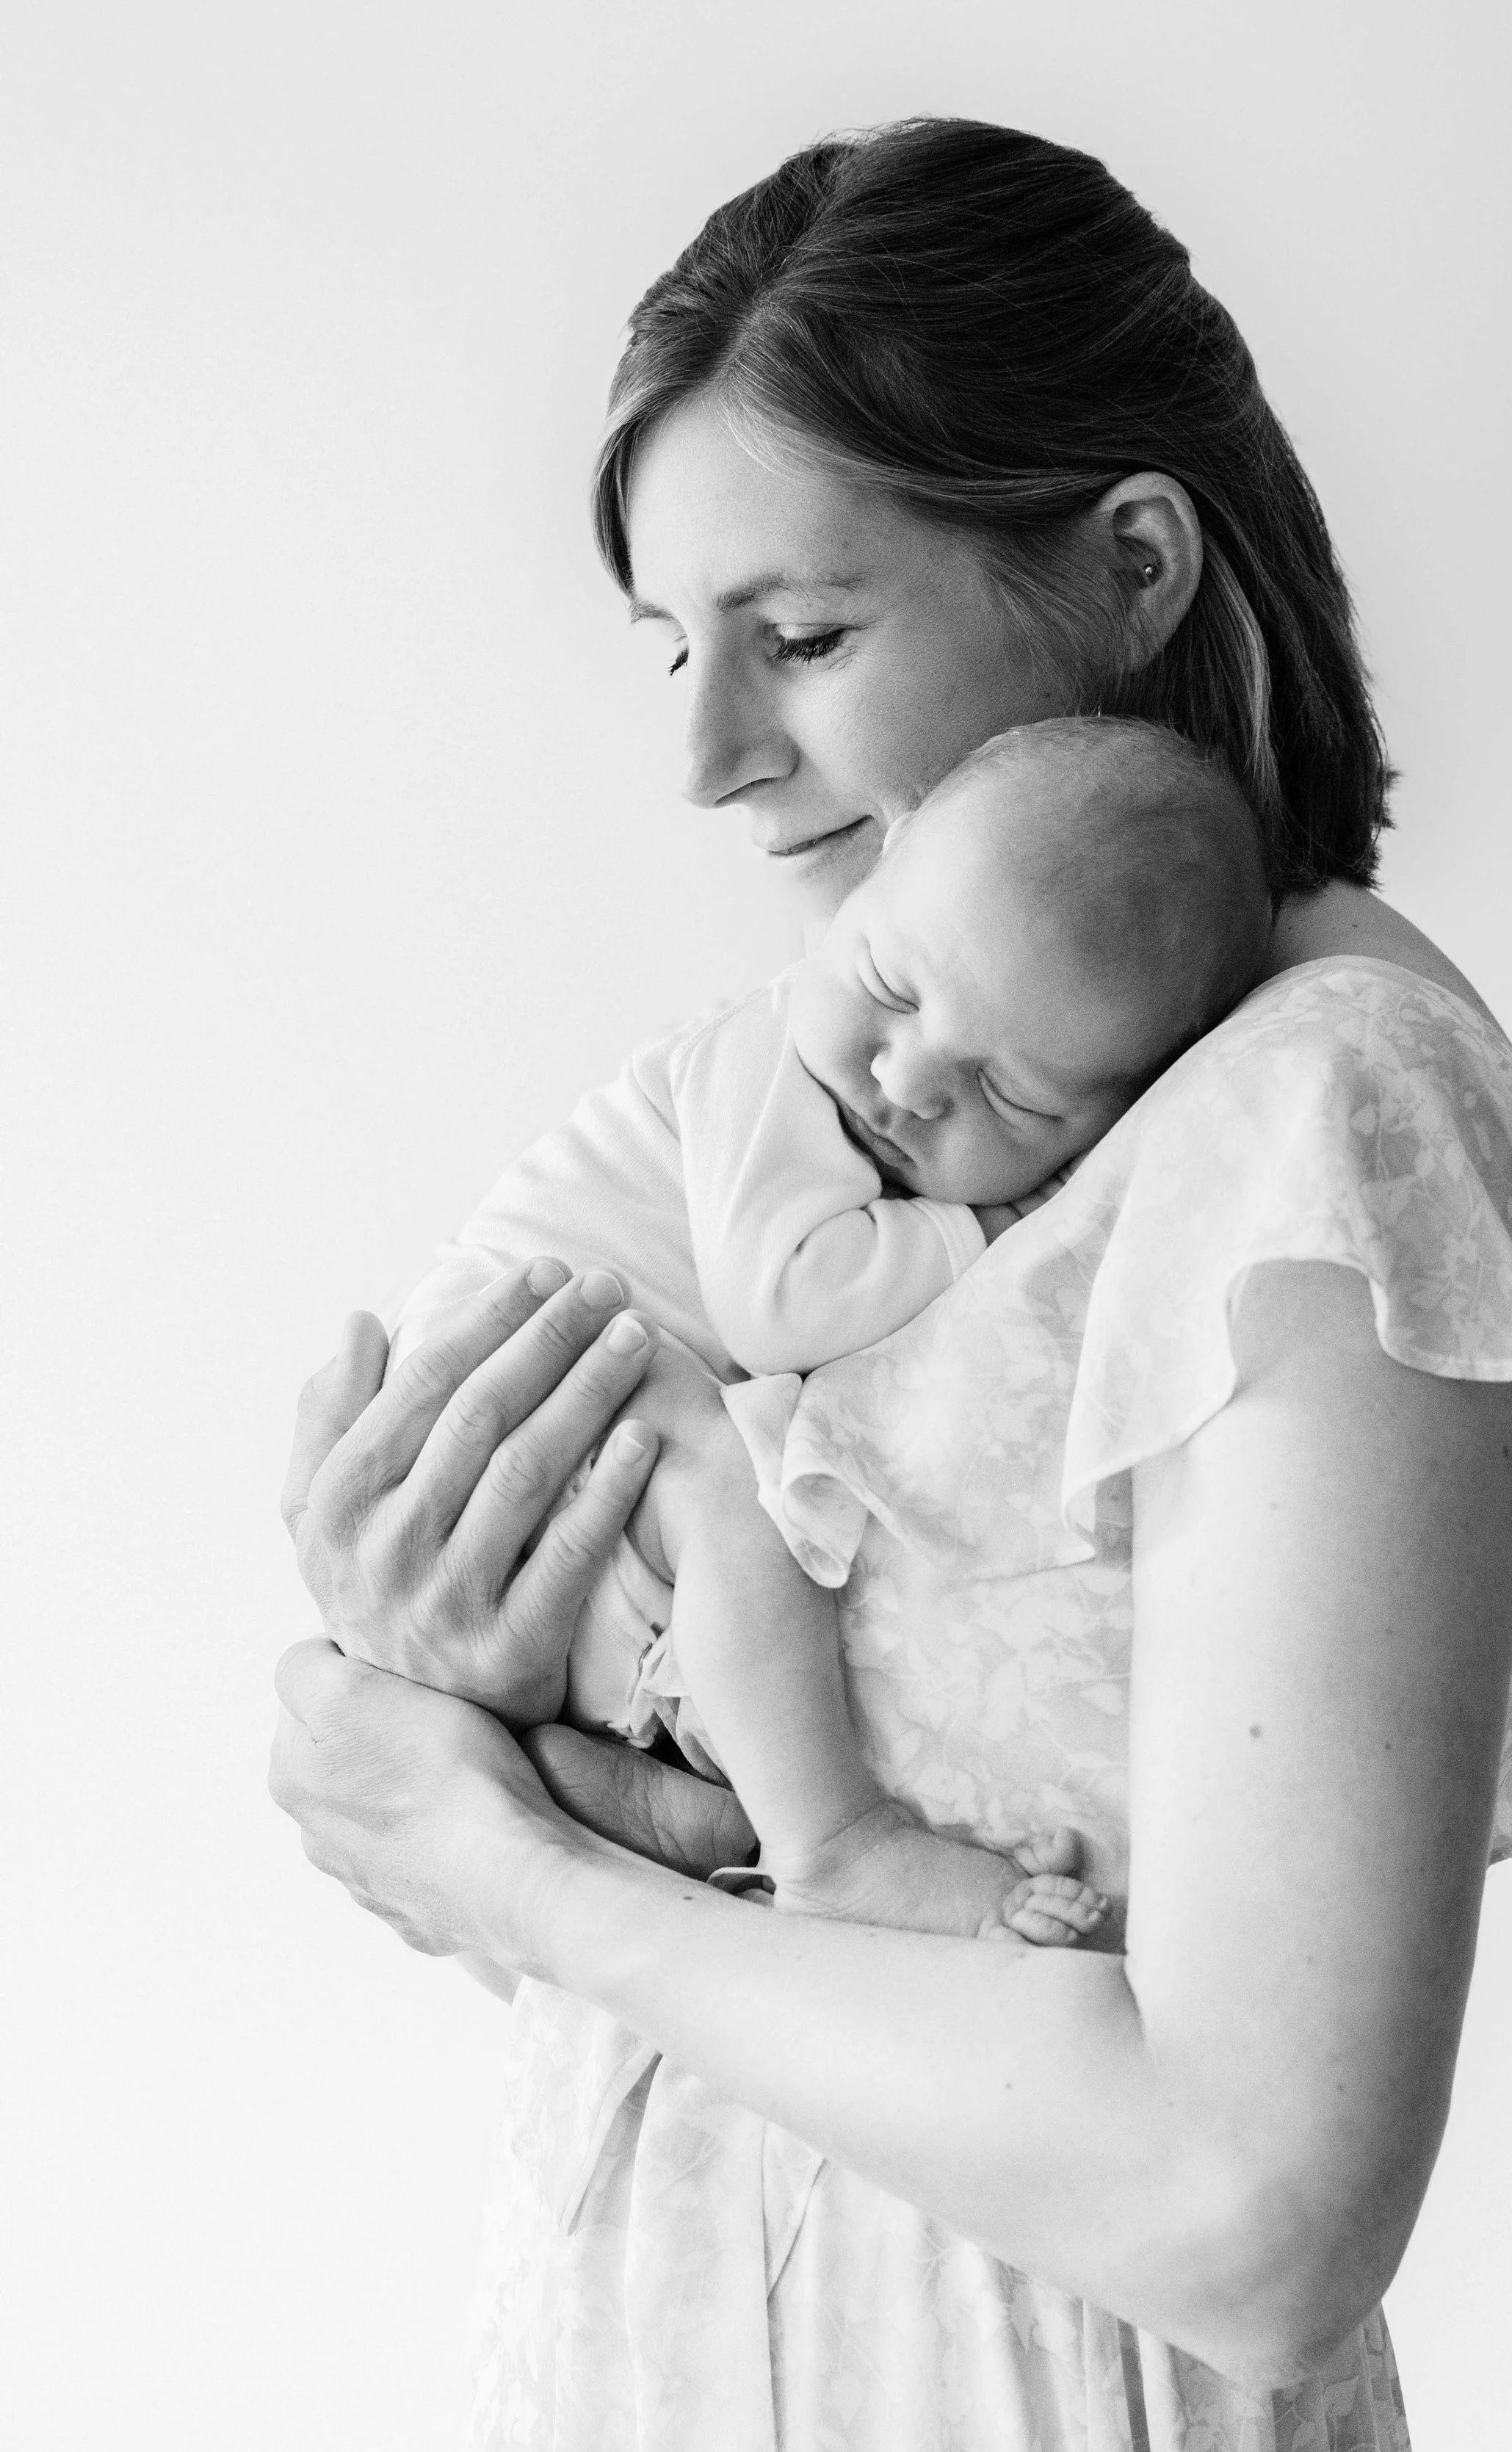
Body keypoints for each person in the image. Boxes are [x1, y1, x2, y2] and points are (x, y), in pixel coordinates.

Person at [270, 120, 1512, 2452]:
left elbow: (1254, 2205)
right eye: (680, 648)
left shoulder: (1325, 1132)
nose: (704, 755)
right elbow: (859, 1958)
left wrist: (521, 1870)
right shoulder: (962, 1124)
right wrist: (467, 1675)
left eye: (804, 634)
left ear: (1130, 565)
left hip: (1026, 2446)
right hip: (709, 2391)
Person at [410, 716, 1267, 1948]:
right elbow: (784, 1300)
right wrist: (1002, 1222)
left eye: (1011, 1095)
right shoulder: (764, 1060)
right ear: (874, 875)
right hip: (526, 1389)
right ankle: (837, 1844)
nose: (908, 1080)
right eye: (891, 987)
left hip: (573, 1524)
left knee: (759, 1473)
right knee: (716, 1451)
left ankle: (647, 1804)